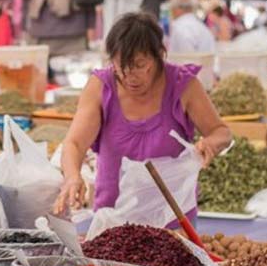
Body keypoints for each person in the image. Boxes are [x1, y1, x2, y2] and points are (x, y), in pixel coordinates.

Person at [55, 12, 232, 224]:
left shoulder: (184, 85)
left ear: (158, 54)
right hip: (113, 219)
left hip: (173, 220)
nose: (130, 75)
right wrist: (72, 176)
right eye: (121, 65)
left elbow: (222, 133)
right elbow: (74, 143)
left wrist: (211, 143)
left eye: (139, 65)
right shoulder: (100, 86)